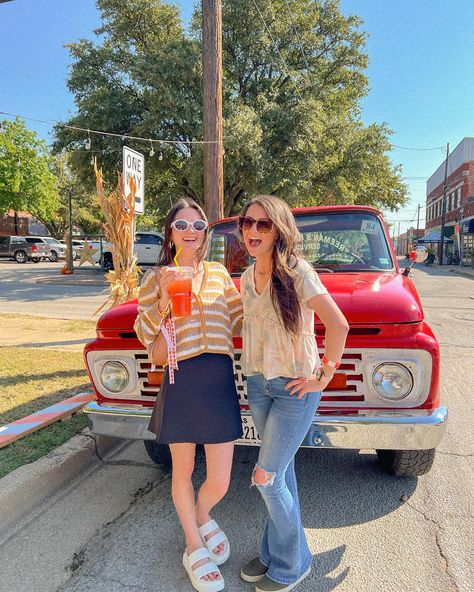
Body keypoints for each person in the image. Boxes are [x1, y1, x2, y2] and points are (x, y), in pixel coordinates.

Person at [238, 195, 349, 592]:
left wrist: (324, 375)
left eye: (263, 225)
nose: (252, 231)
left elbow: (339, 325)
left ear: (278, 230)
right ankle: (273, 554)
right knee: (281, 473)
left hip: (293, 389)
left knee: (266, 478)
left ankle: (293, 563)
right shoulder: (246, 278)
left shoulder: (298, 272)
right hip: (258, 385)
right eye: (247, 223)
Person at [134, 198, 243, 592]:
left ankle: (202, 513)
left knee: (220, 479)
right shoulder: (156, 277)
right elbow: (146, 336)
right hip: (180, 377)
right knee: (182, 469)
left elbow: (242, 315)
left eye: (199, 225)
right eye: (182, 225)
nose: (192, 232)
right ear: (170, 232)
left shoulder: (219, 274)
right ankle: (192, 543)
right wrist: (163, 299)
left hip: (218, 378)